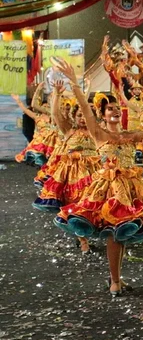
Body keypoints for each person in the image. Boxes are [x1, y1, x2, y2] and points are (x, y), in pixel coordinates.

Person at [51, 58, 143, 297]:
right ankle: (114, 281)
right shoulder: (97, 133)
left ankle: (117, 279)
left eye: (116, 109)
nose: (114, 111)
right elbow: (84, 107)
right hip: (107, 189)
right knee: (113, 234)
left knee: (121, 236)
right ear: (102, 113)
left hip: (132, 188)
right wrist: (74, 83)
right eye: (110, 109)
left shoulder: (129, 135)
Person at [33, 84, 99, 255]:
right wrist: (56, 93)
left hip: (95, 171)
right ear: (74, 117)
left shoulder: (96, 131)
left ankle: (92, 231)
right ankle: (83, 240)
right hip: (73, 174)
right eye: (79, 116)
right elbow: (55, 114)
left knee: (93, 203)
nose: (83, 119)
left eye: (85, 116)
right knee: (75, 204)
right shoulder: (68, 130)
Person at [12, 83, 59, 168]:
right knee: (43, 164)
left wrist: (55, 94)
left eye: (48, 105)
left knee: (53, 165)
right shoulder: (37, 117)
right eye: (44, 106)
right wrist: (18, 100)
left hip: (53, 143)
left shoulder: (55, 117)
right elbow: (26, 109)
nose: (46, 107)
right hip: (40, 143)